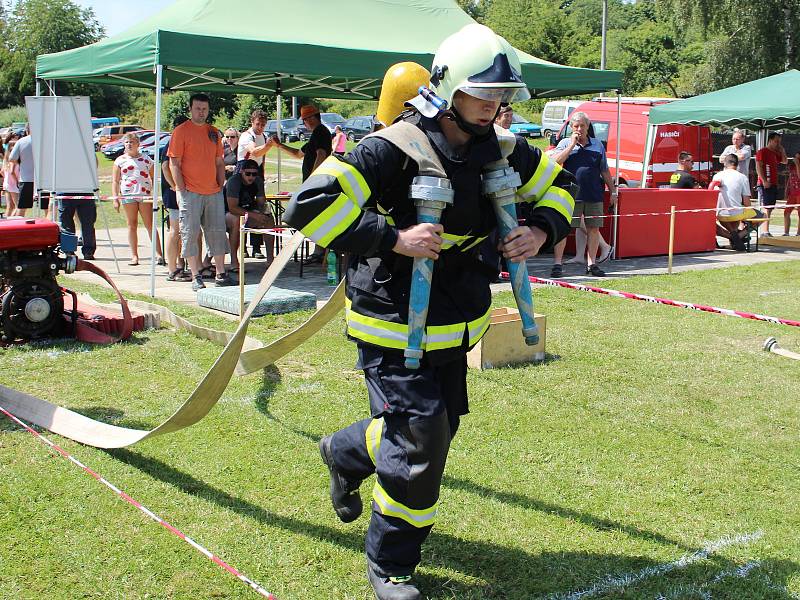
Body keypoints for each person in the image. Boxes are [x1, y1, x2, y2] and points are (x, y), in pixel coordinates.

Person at [284, 24, 574, 600]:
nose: (496, 107)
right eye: (484, 95)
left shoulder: (501, 147)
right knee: (420, 443)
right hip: (393, 317)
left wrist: (541, 230)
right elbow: (309, 207)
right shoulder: (391, 147)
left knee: (430, 431)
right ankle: (391, 567)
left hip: (457, 317)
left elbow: (559, 187)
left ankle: (343, 451)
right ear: (448, 90)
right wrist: (394, 238)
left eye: (502, 98)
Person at [168, 93, 234, 291]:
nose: (201, 112)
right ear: (190, 109)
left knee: (217, 232)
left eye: (204, 109)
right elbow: (174, 163)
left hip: (213, 192)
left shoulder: (214, 132)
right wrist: (181, 190)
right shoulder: (180, 132)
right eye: (197, 108)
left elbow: (219, 161)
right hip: (190, 191)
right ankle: (196, 275)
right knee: (190, 232)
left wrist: (220, 183)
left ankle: (221, 273)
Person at [551, 111, 617, 277]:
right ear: (571, 128)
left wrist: (613, 190)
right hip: (570, 194)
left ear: (588, 127)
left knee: (593, 229)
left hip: (594, 194)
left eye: (582, 126)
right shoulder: (564, 143)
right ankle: (557, 265)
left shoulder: (598, 145)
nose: (579, 129)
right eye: (576, 126)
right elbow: (555, 161)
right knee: (564, 229)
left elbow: (604, 170)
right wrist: (571, 145)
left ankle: (591, 264)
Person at [272, 103, 332, 265]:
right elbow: (299, 154)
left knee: (316, 217)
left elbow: (321, 154)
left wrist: (313, 178)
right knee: (315, 217)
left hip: (316, 184)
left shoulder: (321, 132)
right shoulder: (316, 134)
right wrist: (279, 146)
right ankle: (319, 251)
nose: (305, 123)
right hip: (314, 183)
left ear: (313, 118)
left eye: (306, 120)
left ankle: (320, 251)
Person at [112, 133, 165, 267]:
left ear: (138, 144)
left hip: (144, 196)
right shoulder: (120, 160)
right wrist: (115, 198)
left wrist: (152, 192)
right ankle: (134, 255)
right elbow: (115, 181)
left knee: (150, 224)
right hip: (128, 195)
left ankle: (159, 254)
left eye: (132, 142)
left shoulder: (146, 159)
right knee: (132, 224)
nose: (129, 145)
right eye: (127, 142)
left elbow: (153, 177)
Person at [237, 110, 274, 259]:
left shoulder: (263, 136)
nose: (260, 127)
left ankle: (257, 247)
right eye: (258, 124)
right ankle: (243, 246)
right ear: (252, 122)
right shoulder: (247, 136)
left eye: (263, 125)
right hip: (243, 173)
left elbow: (262, 159)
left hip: (257, 173)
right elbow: (255, 152)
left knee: (260, 208)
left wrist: (262, 177)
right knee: (242, 209)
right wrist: (270, 145)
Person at [224, 158, 274, 265]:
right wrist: (255, 215)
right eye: (248, 173)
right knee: (236, 220)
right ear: (242, 172)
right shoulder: (234, 182)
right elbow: (232, 207)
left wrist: (263, 213)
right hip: (226, 214)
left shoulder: (258, 181)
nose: (251, 177)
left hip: (247, 212)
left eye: (254, 174)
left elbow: (261, 203)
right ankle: (234, 260)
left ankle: (270, 259)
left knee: (269, 220)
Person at [161, 115, 192, 282]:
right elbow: (166, 166)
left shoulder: (177, 142)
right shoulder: (171, 143)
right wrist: (175, 186)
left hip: (182, 193)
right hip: (174, 196)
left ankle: (179, 266)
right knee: (175, 231)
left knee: (181, 231)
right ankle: (172, 269)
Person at [710, 154, 760, 251]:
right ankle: (739, 236)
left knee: (731, 221)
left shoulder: (716, 176)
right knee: (761, 216)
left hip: (719, 214)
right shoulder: (742, 177)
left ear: (725, 164)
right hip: (735, 214)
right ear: (737, 164)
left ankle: (732, 236)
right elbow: (747, 203)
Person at [8, 125, 47, 218]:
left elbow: (12, 158)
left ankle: (17, 230)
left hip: (26, 178)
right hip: (44, 180)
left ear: (26, 130)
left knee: (21, 208)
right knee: (46, 208)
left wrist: (22, 161)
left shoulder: (21, 141)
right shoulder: (45, 141)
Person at [755, 132, 787, 237]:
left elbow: (785, 161)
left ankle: (766, 230)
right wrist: (764, 181)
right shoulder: (762, 151)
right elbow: (758, 166)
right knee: (766, 206)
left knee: (770, 207)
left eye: (779, 142)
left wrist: (782, 150)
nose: (778, 144)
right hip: (765, 183)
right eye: (776, 141)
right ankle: (764, 231)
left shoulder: (775, 153)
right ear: (770, 140)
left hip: (773, 183)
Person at [2, 131, 21, 216]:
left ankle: (6, 223)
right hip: (13, 185)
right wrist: (17, 181)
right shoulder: (13, 160)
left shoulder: (6, 160)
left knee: (10, 207)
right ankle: (13, 222)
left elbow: (2, 171)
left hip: (8, 185)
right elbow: (12, 172)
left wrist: (6, 179)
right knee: (18, 207)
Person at [784, 151, 800, 237]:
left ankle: (798, 233)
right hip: (792, 193)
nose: (795, 159)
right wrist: (787, 189)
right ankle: (786, 233)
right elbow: (790, 177)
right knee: (786, 212)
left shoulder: (797, 165)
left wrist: (798, 164)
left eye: (798, 158)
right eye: (795, 157)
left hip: (799, 192)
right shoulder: (792, 166)